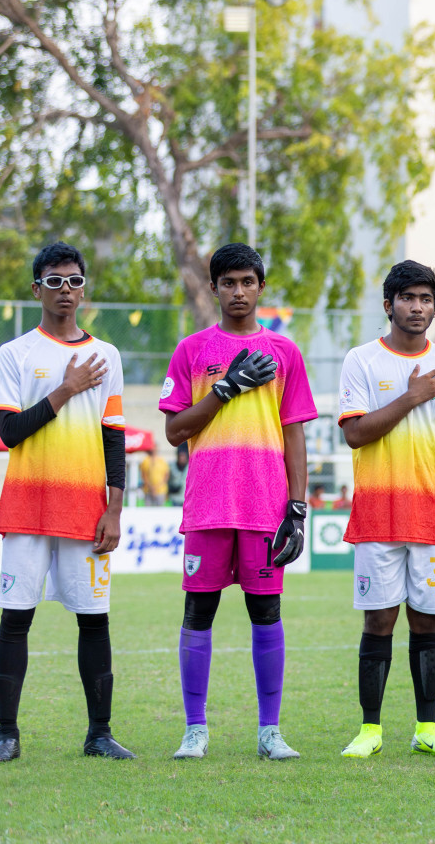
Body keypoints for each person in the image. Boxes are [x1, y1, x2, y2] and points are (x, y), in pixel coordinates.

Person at [161, 243, 317, 761]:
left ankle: (269, 732)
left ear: (261, 287)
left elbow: (295, 435)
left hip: (264, 508)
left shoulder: (285, 353)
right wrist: (223, 389)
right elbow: (175, 430)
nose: (239, 291)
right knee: (197, 612)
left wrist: (296, 508)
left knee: (266, 613)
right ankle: (195, 729)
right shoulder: (191, 351)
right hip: (208, 505)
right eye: (228, 283)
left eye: (248, 281)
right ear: (214, 288)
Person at [0, 242, 134, 762]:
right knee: (15, 618)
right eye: (54, 281)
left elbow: (114, 439)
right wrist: (66, 389)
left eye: (73, 280)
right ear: (36, 289)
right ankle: (7, 735)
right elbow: (9, 432)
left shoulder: (106, 356)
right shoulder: (15, 354)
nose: (64, 290)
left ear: (84, 287)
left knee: (94, 619)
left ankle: (100, 733)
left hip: (85, 512)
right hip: (27, 508)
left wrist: (114, 509)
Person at [336, 261, 435, 759]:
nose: (418, 307)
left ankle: (427, 728)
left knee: (428, 623)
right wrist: (411, 397)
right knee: (378, 622)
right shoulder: (362, 361)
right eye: (408, 298)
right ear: (389, 303)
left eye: (426, 299)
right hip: (378, 515)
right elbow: (354, 433)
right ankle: (370, 730)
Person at [167, 443, 188, 507]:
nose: (182, 458)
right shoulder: (171, 466)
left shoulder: (190, 466)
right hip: (174, 498)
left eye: (183, 456)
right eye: (180, 456)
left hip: (185, 499)